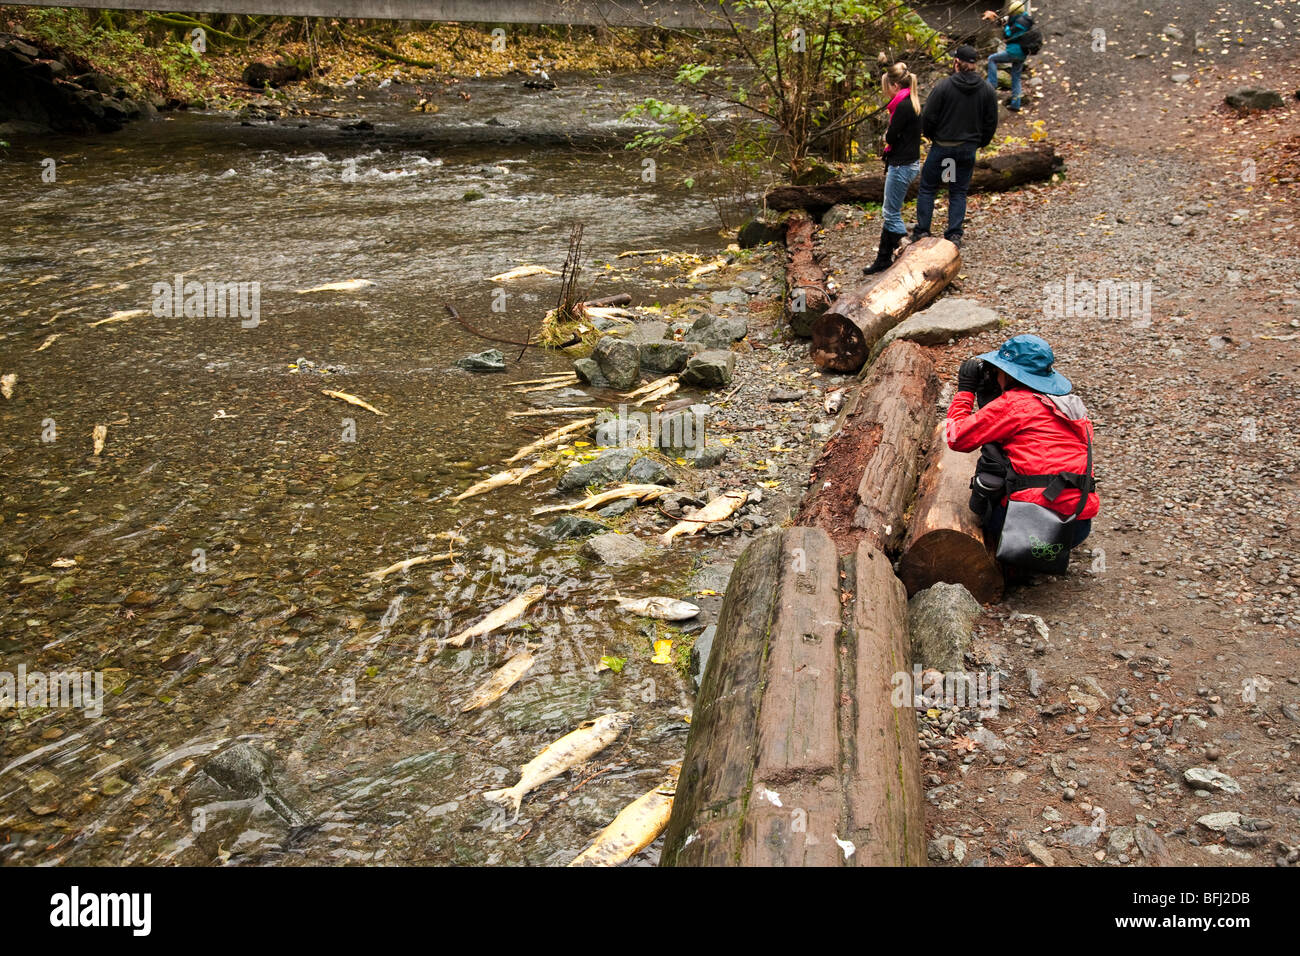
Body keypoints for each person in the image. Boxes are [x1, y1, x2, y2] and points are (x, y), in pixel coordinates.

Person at [945, 335, 1099, 558]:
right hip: (1076, 526)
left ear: (1008, 374)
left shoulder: (1013, 405)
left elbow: (956, 438)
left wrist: (965, 391)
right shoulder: (1071, 406)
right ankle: (1046, 553)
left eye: (998, 370)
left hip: (1027, 525)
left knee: (986, 477)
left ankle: (1016, 557)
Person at [911, 45, 998, 248]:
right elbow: (991, 121)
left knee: (928, 188)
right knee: (958, 191)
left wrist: (932, 136)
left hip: (943, 147)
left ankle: (923, 230)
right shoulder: (986, 90)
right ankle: (954, 234)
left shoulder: (944, 87)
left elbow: (928, 117)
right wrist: (979, 142)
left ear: (956, 63)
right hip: (967, 149)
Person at [864, 62, 922, 275]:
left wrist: (885, 137)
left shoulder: (903, 106)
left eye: (886, 87)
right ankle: (882, 259)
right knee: (890, 211)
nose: (885, 91)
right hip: (907, 162)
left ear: (895, 85)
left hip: (902, 165)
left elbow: (891, 136)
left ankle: (909, 251)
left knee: (891, 213)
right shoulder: (910, 102)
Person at [982, 1, 1035, 111]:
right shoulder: (1025, 20)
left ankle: (992, 84)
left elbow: (1007, 34)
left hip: (1013, 52)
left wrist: (1005, 25)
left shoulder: (1018, 23)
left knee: (991, 59)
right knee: (1016, 78)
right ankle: (1016, 104)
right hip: (1022, 55)